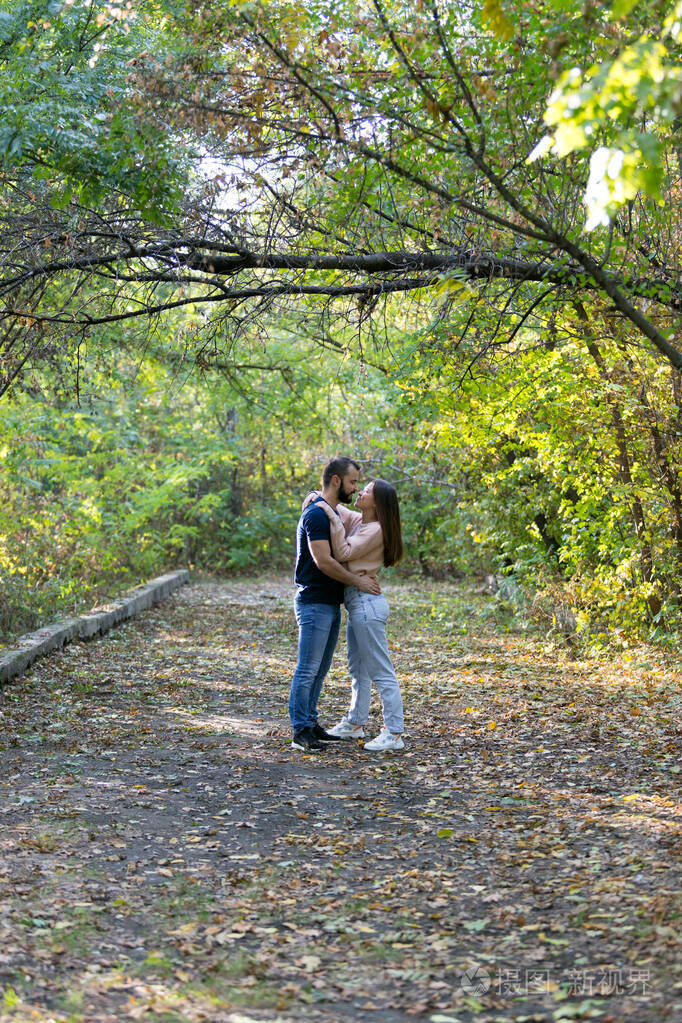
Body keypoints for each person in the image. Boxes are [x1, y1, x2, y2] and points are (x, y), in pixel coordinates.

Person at [289, 457, 381, 752]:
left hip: (329, 603)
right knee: (307, 669)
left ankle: (310, 722)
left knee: (320, 668)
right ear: (337, 481)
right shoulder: (316, 516)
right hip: (313, 602)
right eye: (353, 482)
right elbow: (324, 561)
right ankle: (300, 731)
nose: (356, 489)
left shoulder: (330, 513)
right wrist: (357, 582)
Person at [308, 479, 406, 752]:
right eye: (360, 487)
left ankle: (394, 733)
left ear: (378, 503)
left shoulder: (375, 528)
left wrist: (325, 510)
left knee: (380, 671)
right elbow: (337, 510)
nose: (360, 491)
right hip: (358, 602)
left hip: (366, 604)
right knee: (358, 669)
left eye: (367, 491)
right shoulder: (363, 521)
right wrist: (317, 497)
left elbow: (342, 552)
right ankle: (355, 723)